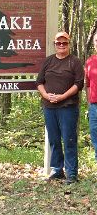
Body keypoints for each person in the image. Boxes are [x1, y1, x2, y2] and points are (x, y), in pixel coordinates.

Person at [36, 32, 84, 184]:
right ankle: (57, 170)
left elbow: (79, 84)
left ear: (69, 44)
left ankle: (71, 173)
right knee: (54, 139)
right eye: (59, 43)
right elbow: (39, 82)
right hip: (49, 107)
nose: (61, 45)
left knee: (69, 138)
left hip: (68, 106)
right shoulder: (48, 61)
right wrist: (45, 95)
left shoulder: (74, 62)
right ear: (55, 44)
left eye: (64, 43)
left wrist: (62, 96)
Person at [85, 32, 97, 160]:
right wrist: (89, 104)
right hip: (94, 107)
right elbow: (87, 85)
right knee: (95, 138)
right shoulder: (90, 61)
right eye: (96, 40)